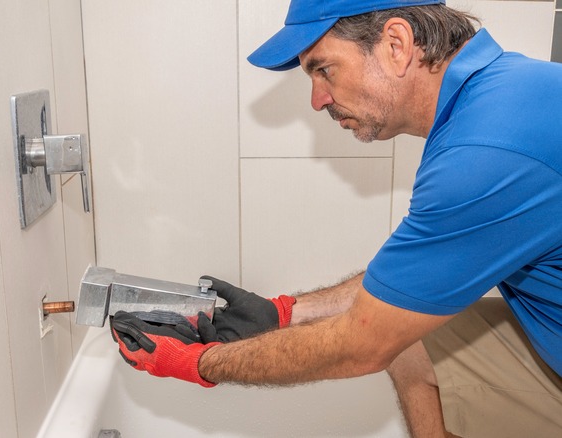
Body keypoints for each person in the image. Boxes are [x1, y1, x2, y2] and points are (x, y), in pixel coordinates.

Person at [110, 1, 562, 436]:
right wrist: (283, 313)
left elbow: (362, 345)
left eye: (322, 69)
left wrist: (198, 362)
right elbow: (402, 289)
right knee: (409, 337)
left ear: (397, 44)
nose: (316, 99)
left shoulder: (483, 154)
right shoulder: (506, 96)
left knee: (387, 339)